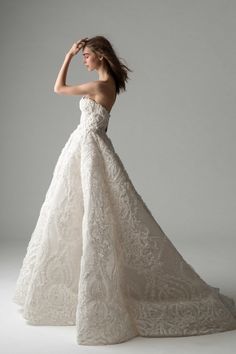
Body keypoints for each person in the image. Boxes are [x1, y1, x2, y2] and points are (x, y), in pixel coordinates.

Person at [12, 35, 236, 346]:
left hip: (89, 148)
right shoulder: (110, 85)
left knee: (92, 210)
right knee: (78, 210)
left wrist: (66, 55)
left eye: (87, 56)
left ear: (101, 56)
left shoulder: (100, 87)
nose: (84, 61)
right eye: (81, 57)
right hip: (87, 148)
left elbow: (58, 88)